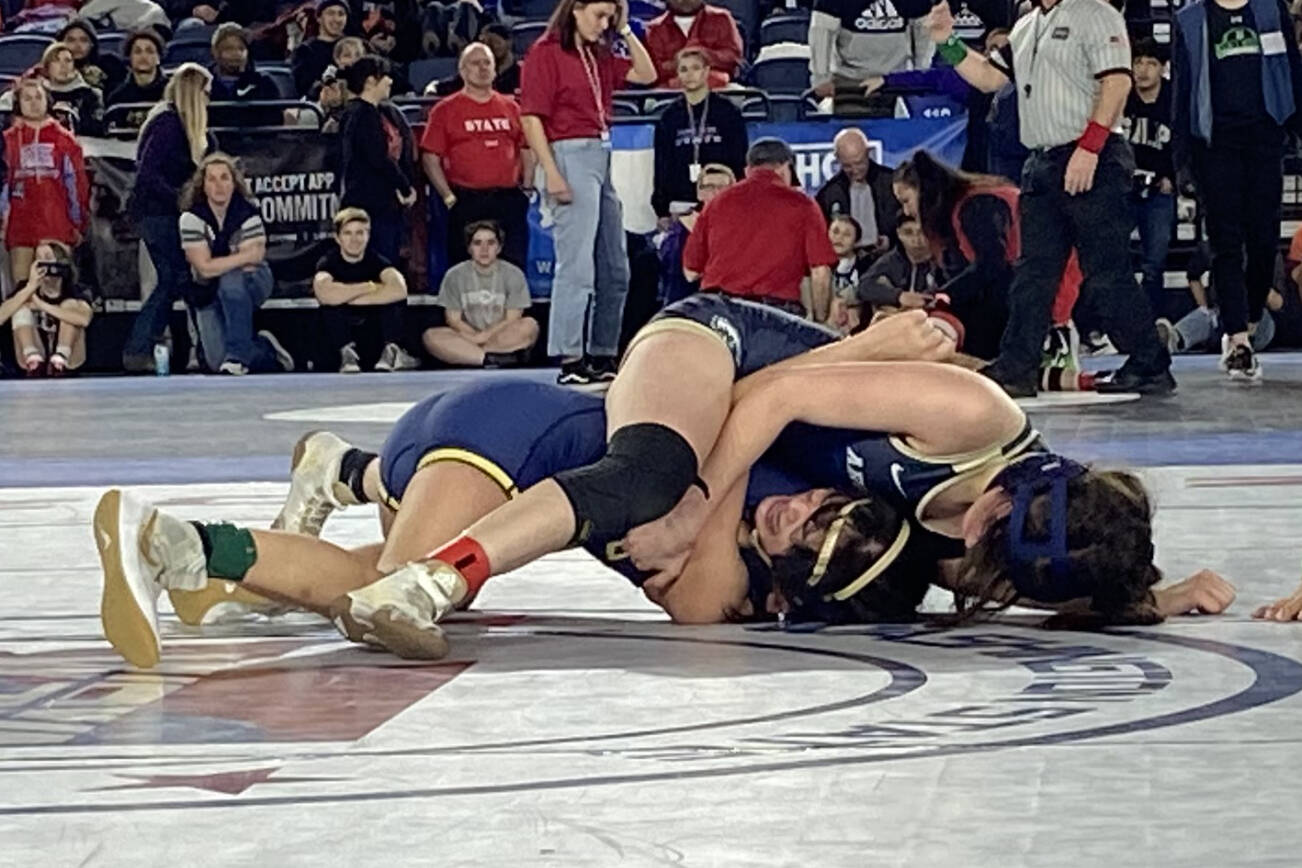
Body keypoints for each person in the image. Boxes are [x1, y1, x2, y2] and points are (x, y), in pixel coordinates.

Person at [91, 309, 959, 664]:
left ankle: (252, 538)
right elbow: (743, 398)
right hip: (509, 434)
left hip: (496, 453)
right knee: (386, 590)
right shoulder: (768, 475)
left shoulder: (716, 596)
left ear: (790, 594)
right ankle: (166, 536)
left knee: (380, 576)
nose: (801, 508)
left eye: (808, 537)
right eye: (826, 505)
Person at [625, 361, 1236, 627]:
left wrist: (1150, 600)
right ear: (1005, 499)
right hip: (757, 376)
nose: (969, 547)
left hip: (784, 476)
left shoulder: (1010, 549)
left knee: (711, 605)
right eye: (988, 532)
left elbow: (1051, 600)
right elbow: (773, 398)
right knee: (643, 488)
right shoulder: (971, 416)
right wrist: (694, 510)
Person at [926, 0, 1175, 397]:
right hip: (1043, 160)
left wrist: (1090, 148)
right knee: (1032, 272)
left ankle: (1149, 361)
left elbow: (1118, 82)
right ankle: (1017, 367)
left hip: (1091, 154)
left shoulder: (1096, 14)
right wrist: (947, 42)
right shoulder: (1027, 26)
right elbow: (991, 77)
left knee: (1104, 270)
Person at [519, 0, 658, 387]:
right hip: (568, 153)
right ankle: (570, 356)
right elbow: (531, 117)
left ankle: (602, 352)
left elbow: (647, 74)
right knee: (576, 265)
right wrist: (551, 172)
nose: (605, 23)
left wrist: (627, 30)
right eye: (599, 15)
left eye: (610, 17)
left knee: (615, 265)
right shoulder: (546, 53)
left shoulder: (597, 54)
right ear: (575, 10)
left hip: (600, 153)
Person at [1171, 0, 1302, 383]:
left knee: (1263, 242)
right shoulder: (1190, 19)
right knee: (1226, 243)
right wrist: (1181, 159)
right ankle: (1238, 339)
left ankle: (1251, 317)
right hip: (1214, 145)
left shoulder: (1269, 9)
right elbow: (1182, 89)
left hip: (1265, 138)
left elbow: (1292, 69)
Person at [121, 64, 216, 373]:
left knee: (177, 279)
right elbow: (147, 173)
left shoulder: (190, 129)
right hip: (157, 213)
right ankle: (139, 347)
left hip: (172, 213)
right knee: (173, 278)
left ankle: (198, 347)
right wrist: (180, 199)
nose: (209, 100)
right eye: (205, 93)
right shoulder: (167, 123)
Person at [683, 138, 838, 321]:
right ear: (784, 168)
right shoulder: (802, 204)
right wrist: (821, 321)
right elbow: (820, 272)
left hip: (721, 310)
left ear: (748, 171)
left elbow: (690, 272)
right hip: (775, 314)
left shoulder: (717, 203)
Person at [179, 153, 294, 375]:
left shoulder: (249, 213)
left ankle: (237, 356)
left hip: (255, 280)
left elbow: (256, 259)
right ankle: (265, 349)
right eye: (211, 179)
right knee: (215, 362)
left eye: (224, 178)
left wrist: (217, 262)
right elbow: (203, 268)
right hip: (206, 289)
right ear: (202, 185)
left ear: (234, 183)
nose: (219, 185)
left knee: (231, 280)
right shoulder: (191, 219)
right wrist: (240, 256)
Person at [421, 42, 532, 269]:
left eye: (487, 63)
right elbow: (430, 157)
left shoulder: (512, 107)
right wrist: (448, 197)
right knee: (464, 268)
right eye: (475, 63)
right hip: (466, 200)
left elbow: (526, 148)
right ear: (462, 70)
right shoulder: (444, 110)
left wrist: (527, 187)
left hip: (507, 199)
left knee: (512, 266)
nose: (482, 68)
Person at [0, 77, 90, 295]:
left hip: (56, 223)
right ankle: (25, 330)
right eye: (27, 98)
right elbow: (3, 185)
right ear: (17, 103)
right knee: (21, 290)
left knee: (56, 289)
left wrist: (78, 223)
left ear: (47, 100)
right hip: (19, 224)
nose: (33, 102)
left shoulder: (64, 139)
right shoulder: (6, 140)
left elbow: (76, 185)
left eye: (38, 97)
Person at [313, 206, 419, 373]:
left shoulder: (378, 261)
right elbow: (325, 294)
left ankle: (390, 351)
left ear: (368, 236)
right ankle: (346, 355)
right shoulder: (327, 263)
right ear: (337, 237)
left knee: (394, 303)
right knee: (331, 308)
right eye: (348, 233)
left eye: (360, 233)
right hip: (342, 335)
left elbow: (399, 289)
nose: (354, 239)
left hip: (373, 333)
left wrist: (347, 296)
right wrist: (369, 287)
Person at [651, 46, 748, 228]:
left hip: (722, 202)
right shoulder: (669, 117)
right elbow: (662, 165)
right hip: (680, 205)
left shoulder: (727, 112)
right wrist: (662, 210)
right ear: (677, 75)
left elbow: (740, 159)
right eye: (684, 69)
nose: (690, 75)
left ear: (706, 71)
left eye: (695, 68)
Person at [424, 220, 540, 368]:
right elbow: (453, 319)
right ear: (469, 248)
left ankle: (476, 355)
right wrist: (474, 337)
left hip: (501, 335)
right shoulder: (454, 275)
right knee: (431, 336)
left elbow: (513, 318)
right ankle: (489, 359)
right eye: (477, 243)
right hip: (467, 337)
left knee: (529, 326)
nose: (484, 249)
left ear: (499, 248)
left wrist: (485, 337)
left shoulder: (514, 274)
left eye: (491, 243)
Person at [338, 55, 417, 266]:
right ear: (371, 81)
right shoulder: (363, 114)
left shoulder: (368, 112)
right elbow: (379, 157)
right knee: (379, 261)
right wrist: (405, 186)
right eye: (385, 76)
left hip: (377, 201)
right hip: (374, 202)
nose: (390, 81)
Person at [1123, 37, 1177, 321]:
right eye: (1138, 62)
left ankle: (1152, 324)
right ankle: (1112, 325)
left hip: (1158, 191)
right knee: (1110, 257)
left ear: (1163, 68)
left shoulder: (1173, 101)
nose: (1142, 69)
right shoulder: (1120, 96)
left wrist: (1173, 179)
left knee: (1154, 263)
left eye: (1151, 63)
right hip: (1123, 189)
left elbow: (1185, 147)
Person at [810, 0, 936, 114]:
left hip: (897, 82)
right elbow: (821, 32)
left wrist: (920, 73)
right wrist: (821, 78)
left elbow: (924, 31)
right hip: (850, 83)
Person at [0, 240, 93, 376]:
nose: (43, 263)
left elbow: (84, 319)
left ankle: (61, 358)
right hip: (34, 352)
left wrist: (41, 305)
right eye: (39, 259)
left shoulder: (75, 290)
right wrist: (30, 288)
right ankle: (33, 358)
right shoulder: (24, 288)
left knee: (69, 307)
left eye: (48, 258)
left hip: (70, 357)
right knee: (21, 310)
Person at [657, 162, 734, 307]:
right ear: (699, 192)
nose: (716, 192)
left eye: (722, 187)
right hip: (685, 303)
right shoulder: (682, 228)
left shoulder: (741, 226)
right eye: (709, 187)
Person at [815, 128, 899, 260]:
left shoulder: (893, 183)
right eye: (847, 165)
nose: (855, 170)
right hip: (848, 264)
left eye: (859, 163)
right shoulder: (829, 193)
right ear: (837, 159)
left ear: (868, 153)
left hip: (891, 259)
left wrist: (891, 240)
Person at [643, 0, 743, 88]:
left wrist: (704, 55)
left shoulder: (721, 18)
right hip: (669, 92)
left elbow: (733, 57)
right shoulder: (655, 28)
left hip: (720, 87)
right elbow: (653, 70)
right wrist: (679, 63)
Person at [856, 214, 938, 312]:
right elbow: (863, 287)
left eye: (921, 232)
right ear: (899, 234)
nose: (916, 240)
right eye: (908, 233)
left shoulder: (940, 260)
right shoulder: (891, 260)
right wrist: (898, 296)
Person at [430, 23, 522, 96]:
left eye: (495, 42)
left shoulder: (522, 72)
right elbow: (445, 86)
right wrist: (432, 89)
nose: (490, 47)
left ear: (509, 42)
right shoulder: (477, 72)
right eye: (485, 43)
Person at [42, 41, 105, 136]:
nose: (63, 66)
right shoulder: (38, 94)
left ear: (74, 65)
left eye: (68, 60)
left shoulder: (92, 95)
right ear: (47, 67)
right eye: (56, 60)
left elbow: (97, 130)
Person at [106, 29, 167, 125]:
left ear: (158, 58)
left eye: (149, 51)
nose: (143, 56)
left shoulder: (172, 92)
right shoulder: (117, 98)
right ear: (129, 57)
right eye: (137, 52)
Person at [207, 22, 279, 104]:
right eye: (229, 48)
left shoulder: (263, 83)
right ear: (215, 52)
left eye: (241, 49)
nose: (237, 54)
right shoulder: (202, 83)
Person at [292, 0, 351, 97]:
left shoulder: (354, 45)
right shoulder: (305, 50)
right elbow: (303, 88)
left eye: (341, 14)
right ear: (319, 18)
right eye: (330, 13)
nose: (336, 19)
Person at [57, 17, 126, 96]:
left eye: (83, 40)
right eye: (71, 40)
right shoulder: (52, 67)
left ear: (92, 44)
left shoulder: (110, 63)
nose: (77, 45)